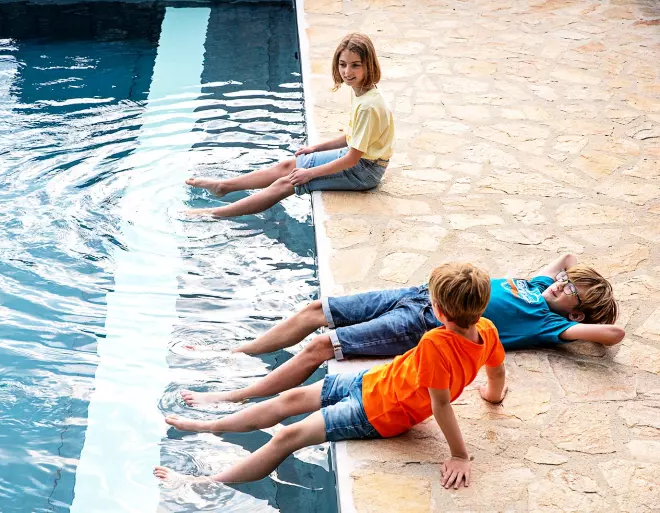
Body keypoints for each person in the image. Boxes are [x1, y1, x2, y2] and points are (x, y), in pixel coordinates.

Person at [155, 262, 506, 488]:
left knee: (288, 436)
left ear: (438, 311)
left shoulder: (435, 343)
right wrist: (492, 395)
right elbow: (496, 369)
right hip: (373, 382)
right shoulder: (488, 329)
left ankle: (203, 483)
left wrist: (459, 455)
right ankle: (212, 425)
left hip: (378, 412)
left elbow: (440, 404)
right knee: (290, 399)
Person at [180, 253, 623, 406]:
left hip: (425, 320)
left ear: (576, 315)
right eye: (565, 281)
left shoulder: (550, 324)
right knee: (317, 310)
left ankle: (236, 396)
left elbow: (613, 335)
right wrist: (575, 281)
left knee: (322, 345)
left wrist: (590, 314)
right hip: (420, 292)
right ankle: (237, 354)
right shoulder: (544, 285)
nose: (561, 284)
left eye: (571, 291)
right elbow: (567, 257)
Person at [184, 32, 394, 217]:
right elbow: (351, 137)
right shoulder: (363, 92)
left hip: (364, 172)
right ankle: (224, 186)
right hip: (358, 160)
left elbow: (353, 158)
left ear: (368, 65)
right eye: (343, 64)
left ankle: (213, 213)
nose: (347, 71)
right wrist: (314, 148)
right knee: (287, 166)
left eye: (355, 65)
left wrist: (309, 173)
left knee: (287, 182)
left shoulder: (368, 106)